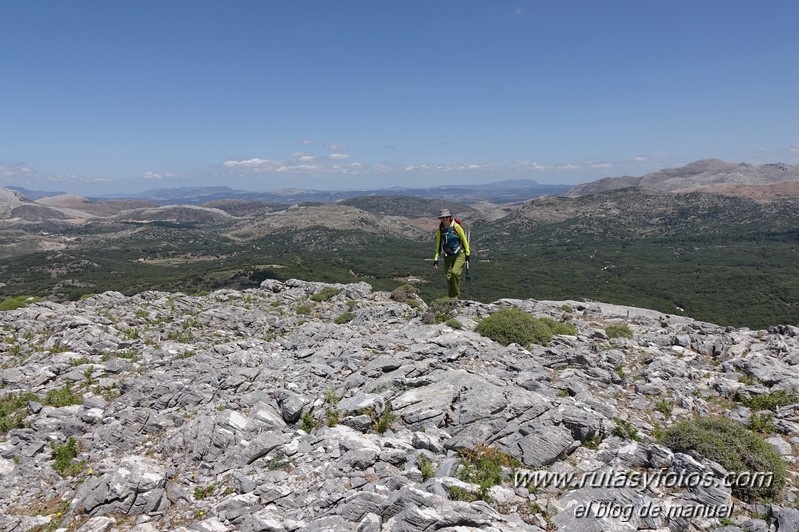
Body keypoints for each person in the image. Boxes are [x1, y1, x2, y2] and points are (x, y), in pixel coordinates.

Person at [433, 208, 471, 298]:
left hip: (460, 254)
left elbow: (464, 240)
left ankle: (456, 295)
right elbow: (438, 245)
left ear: (449, 217)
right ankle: (451, 297)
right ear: (440, 219)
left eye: (446, 217)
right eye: (443, 217)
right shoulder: (440, 230)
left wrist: (468, 253)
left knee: (454, 273)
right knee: (449, 277)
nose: (445, 219)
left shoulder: (456, 227)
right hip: (447, 256)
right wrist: (436, 260)